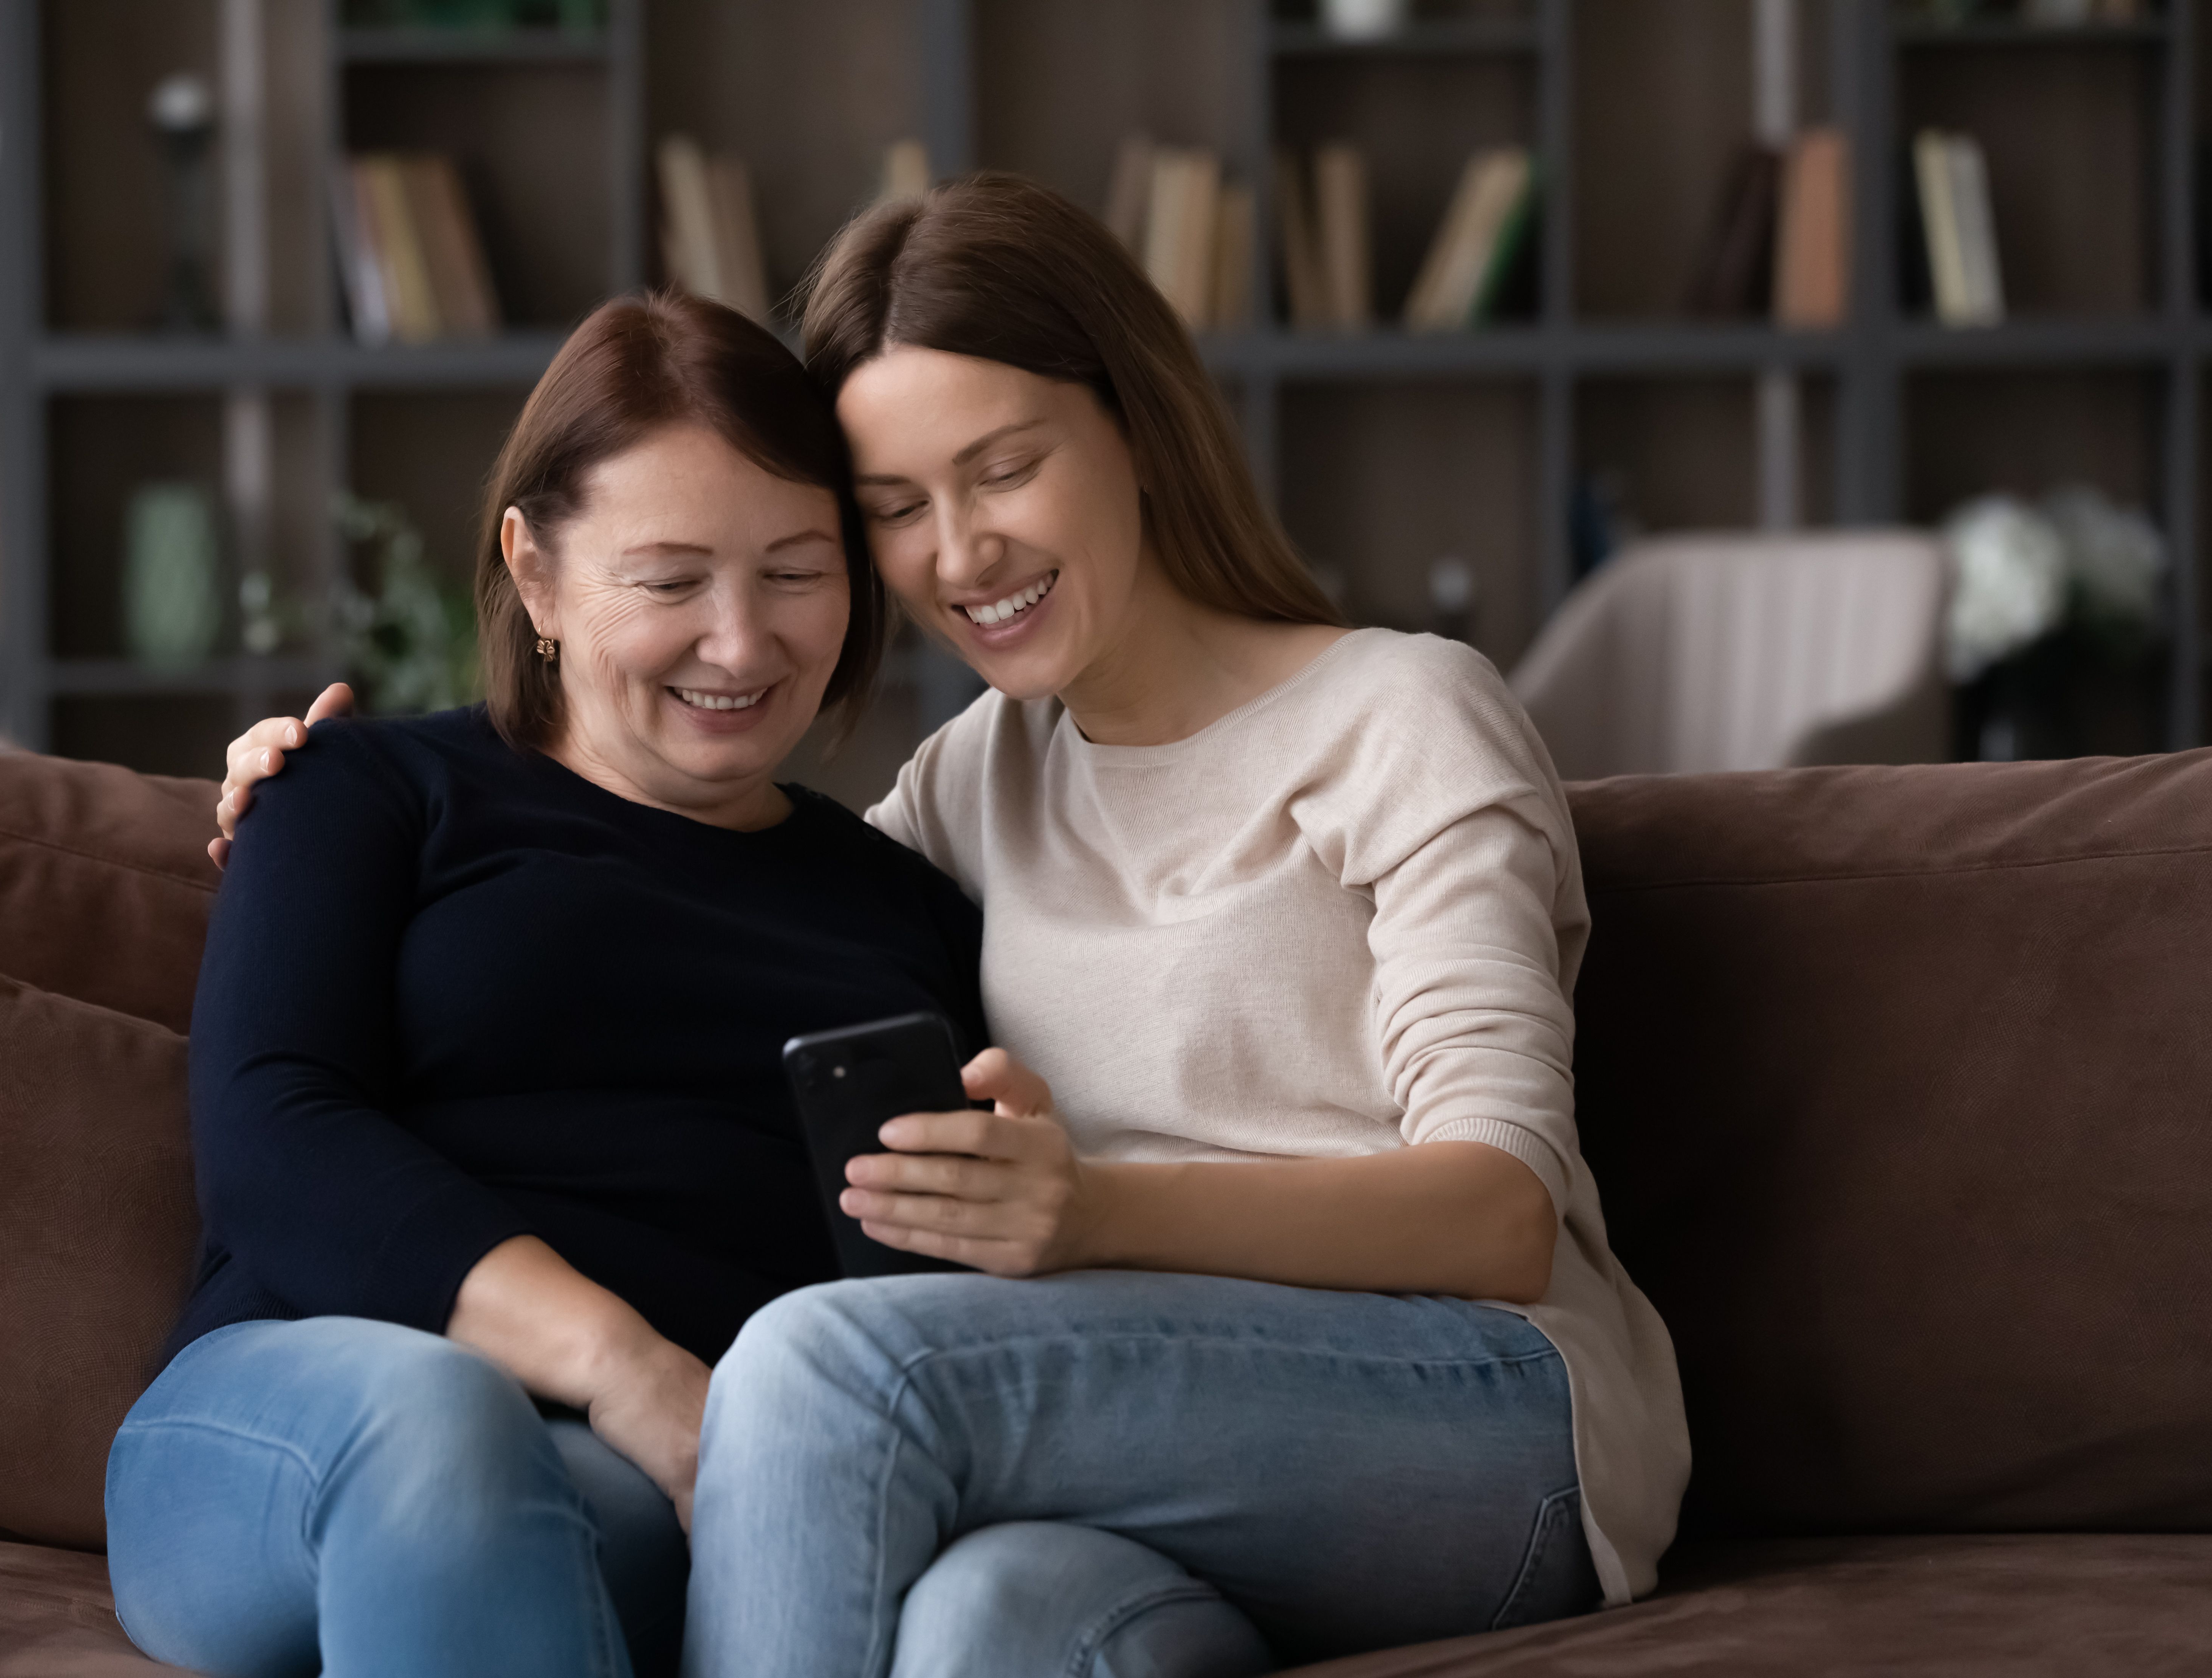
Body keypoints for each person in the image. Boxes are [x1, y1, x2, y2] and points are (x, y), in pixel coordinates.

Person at [218, 176, 1689, 1678]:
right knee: (979, 1624)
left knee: (815, 1365)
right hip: (1131, 1437)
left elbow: (1503, 1215)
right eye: (895, 509)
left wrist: (1093, 1212)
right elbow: (712, 929)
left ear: (1138, 425)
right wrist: (310, 794)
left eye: (1004, 469)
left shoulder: (1401, 710)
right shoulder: (963, 792)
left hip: (1481, 1405)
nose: (961, 553)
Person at [107, 291, 989, 1678]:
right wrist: (627, 1365)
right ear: (535, 574)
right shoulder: (362, 792)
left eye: (795, 571)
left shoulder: (910, 909)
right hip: (296, 1419)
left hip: (657, 1492)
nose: (741, 642)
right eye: (670, 580)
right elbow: (271, 1136)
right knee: (446, 1422)